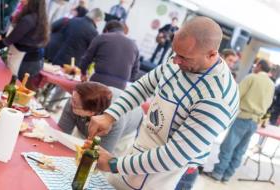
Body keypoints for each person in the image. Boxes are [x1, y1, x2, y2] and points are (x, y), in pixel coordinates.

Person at [87, 16, 239, 189]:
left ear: (212, 54)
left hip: (173, 174)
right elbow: (143, 87)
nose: (175, 61)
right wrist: (110, 115)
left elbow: (175, 155)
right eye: (175, 53)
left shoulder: (217, 98)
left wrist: (114, 164)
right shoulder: (177, 61)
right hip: (139, 154)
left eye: (184, 57)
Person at [205, 59, 274, 182]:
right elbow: (269, 103)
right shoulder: (271, 84)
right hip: (255, 121)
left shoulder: (252, 77)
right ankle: (227, 176)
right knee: (240, 149)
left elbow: (236, 94)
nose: (254, 67)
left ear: (259, 66)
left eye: (255, 65)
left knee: (228, 146)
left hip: (243, 117)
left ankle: (218, 173)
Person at [58, 82, 144, 155]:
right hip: (94, 110)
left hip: (129, 124)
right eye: (72, 98)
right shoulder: (76, 99)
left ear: (90, 112)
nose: (70, 102)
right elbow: (61, 133)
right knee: (74, 148)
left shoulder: (116, 121)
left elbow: (102, 154)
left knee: (102, 164)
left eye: (74, 102)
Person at [0, 0, 49, 89]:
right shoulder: (32, 15)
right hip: (25, 58)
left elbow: (9, 40)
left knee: (12, 85)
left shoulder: (29, 19)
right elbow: (10, 34)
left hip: (26, 62)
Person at [80, 20, 140, 90]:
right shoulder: (134, 45)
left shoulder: (102, 37)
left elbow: (87, 58)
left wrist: (83, 73)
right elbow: (135, 72)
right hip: (120, 87)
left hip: (98, 82)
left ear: (106, 30)